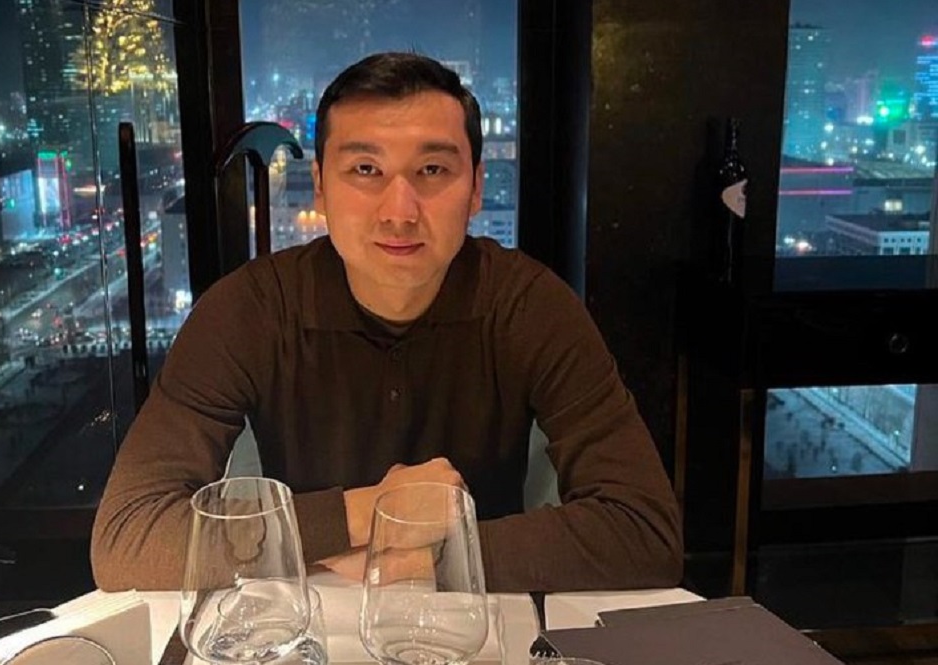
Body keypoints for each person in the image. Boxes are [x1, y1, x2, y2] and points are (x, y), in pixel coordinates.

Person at [90, 51, 682, 593]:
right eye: (366, 169)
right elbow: (128, 538)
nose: (400, 212)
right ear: (320, 186)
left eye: (433, 170)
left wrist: (433, 558)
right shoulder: (249, 310)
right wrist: (370, 512)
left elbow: (645, 530)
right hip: (303, 622)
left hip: (474, 620)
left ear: (476, 188)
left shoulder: (528, 306)